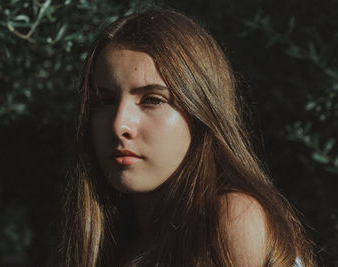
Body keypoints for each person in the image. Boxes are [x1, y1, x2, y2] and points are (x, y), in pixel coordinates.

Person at [57, 8, 316, 267]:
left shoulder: (232, 219)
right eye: (104, 101)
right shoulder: (108, 240)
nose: (119, 125)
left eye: (152, 100)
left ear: (201, 112)